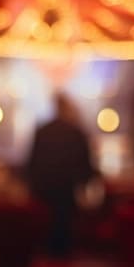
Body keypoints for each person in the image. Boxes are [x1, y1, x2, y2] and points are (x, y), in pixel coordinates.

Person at [27, 93, 96, 256]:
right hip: (66, 190)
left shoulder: (43, 131)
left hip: (43, 189)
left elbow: (31, 162)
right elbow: (85, 165)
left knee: (46, 229)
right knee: (64, 227)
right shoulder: (76, 131)